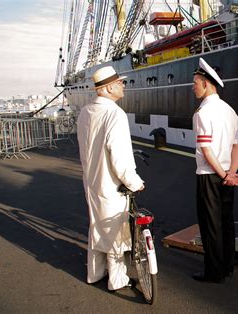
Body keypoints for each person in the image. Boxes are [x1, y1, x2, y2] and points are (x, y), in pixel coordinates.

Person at [77, 65, 145, 291]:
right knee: (115, 228)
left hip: (91, 180)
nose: (123, 85)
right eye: (119, 83)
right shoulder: (115, 114)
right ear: (107, 88)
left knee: (96, 224)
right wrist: (134, 182)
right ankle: (117, 279)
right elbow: (120, 156)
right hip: (112, 184)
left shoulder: (85, 112)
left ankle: (94, 273)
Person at [192, 58, 238, 283]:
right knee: (226, 221)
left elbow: (206, 151)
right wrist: (231, 174)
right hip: (226, 174)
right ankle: (228, 264)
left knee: (210, 225)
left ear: (207, 84)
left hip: (209, 175)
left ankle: (214, 272)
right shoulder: (230, 111)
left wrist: (225, 175)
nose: (193, 87)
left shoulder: (202, 114)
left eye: (195, 82)